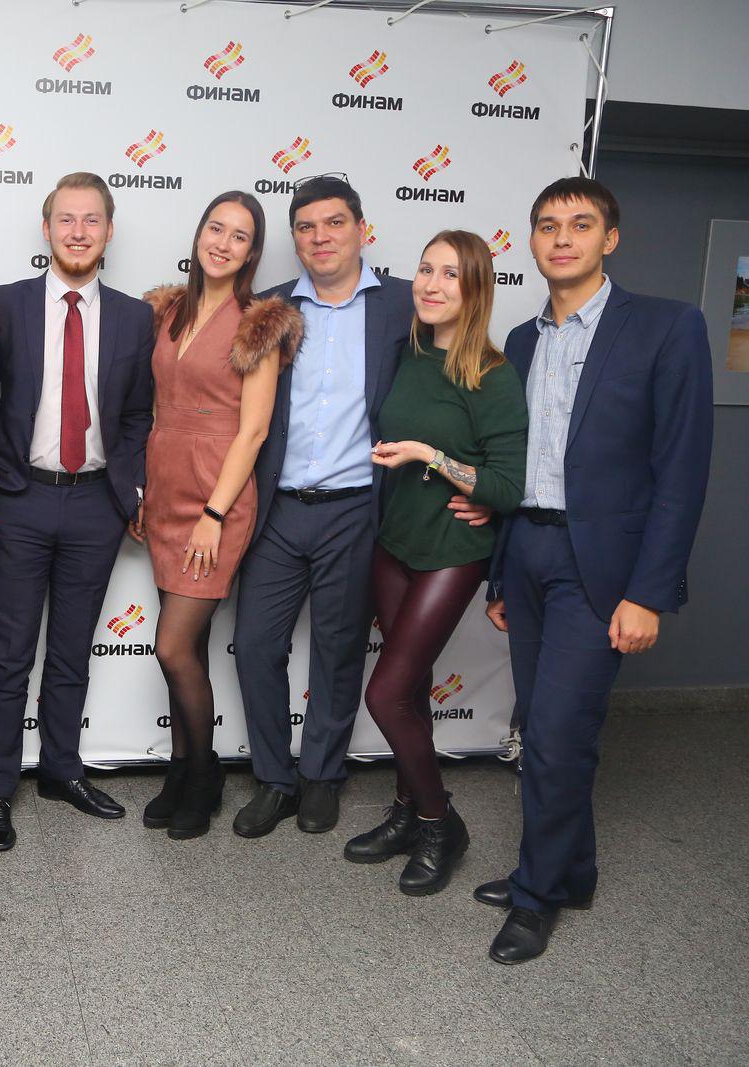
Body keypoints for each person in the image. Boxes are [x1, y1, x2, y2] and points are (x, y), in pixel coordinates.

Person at [475, 177, 712, 963]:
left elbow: (681, 471)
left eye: (581, 224)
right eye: (548, 225)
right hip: (529, 553)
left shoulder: (667, 327)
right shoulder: (520, 340)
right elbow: (514, 463)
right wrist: (501, 574)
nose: (562, 237)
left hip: (602, 568)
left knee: (552, 735)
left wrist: (648, 593)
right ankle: (572, 872)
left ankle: (536, 893)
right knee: (550, 728)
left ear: (610, 239)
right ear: (532, 241)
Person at [231, 174, 491, 840]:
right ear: (295, 239)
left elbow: (463, 379)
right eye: (306, 227)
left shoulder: (406, 304)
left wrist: (484, 484)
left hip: (357, 508)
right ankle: (273, 779)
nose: (320, 237)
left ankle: (321, 774)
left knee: (340, 647)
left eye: (334, 223)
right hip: (277, 507)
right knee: (256, 644)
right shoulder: (268, 307)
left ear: (361, 229)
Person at [0, 172, 156, 851]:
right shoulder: (4, 305)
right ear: (47, 228)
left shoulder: (135, 317)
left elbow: (137, 415)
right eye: (66, 219)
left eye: (91, 220)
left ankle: (60, 769)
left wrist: (130, 491)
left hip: (96, 505)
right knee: (11, 655)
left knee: (73, 651)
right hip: (21, 499)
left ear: (109, 230)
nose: (79, 232)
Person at [342, 230, 528, 895]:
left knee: (384, 693)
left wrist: (432, 457)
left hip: (451, 551)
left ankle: (439, 821)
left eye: (450, 273)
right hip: (394, 542)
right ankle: (405, 812)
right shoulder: (409, 354)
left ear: (475, 289)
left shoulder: (494, 375)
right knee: (411, 687)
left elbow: (508, 486)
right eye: (426, 269)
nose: (431, 283)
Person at [133, 191, 301, 840]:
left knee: (171, 646)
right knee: (192, 647)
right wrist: (145, 492)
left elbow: (253, 430)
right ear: (199, 233)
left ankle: (204, 775)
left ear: (253, 252)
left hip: (214, 500)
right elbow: (159, 407)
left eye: (239, 236)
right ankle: (180, 769)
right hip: (165, 489)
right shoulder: (168, 311)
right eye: (216, 228)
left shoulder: (259, 324)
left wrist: (213, 513)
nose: (223, 243)